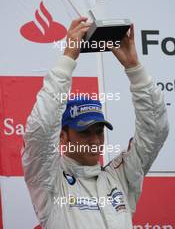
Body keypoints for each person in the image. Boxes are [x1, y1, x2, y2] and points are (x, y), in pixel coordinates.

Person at [22, 17, 169, 229]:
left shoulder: (120, 177)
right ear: (63, 135)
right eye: (84, 132)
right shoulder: (49, 181)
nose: (94, 140)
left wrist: (134, 68)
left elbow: (155, 131)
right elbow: (41, 129)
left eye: (99, 131)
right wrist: (68, 57)